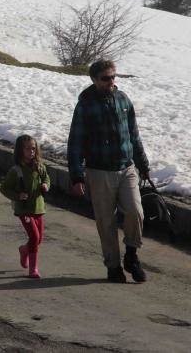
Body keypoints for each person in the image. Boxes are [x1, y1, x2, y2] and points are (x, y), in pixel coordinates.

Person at [67, 59, 150, 284]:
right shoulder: (85, 105)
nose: (111, 81)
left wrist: (143, 164)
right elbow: (75, 141)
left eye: (113, 77)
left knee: (135, 212)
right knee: (106, 222)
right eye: (105, 78)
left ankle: (131, 255)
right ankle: (113, 266)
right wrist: (76, 175)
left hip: (126, 167)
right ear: (94, 80)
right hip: (99, 171)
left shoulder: (123, 100)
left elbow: (134, 135)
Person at [0, 135, 50, 279]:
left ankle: (24, 250)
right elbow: (4, 188)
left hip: (38, 208)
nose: (31, 152)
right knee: (34, 237)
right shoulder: (16, 171)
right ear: (20, 151)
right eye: (27, 149)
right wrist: (17, 196)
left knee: (39, 239)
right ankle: (33, 269)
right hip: (24, 209)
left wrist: (46, 185)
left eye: (33, 148)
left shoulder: (40, 167)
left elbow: (47, 178)